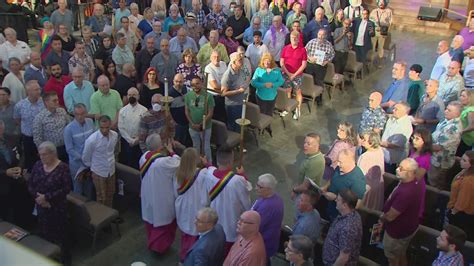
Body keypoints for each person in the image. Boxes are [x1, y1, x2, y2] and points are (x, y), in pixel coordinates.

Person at [203, 147, 251, 254]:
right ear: (231, 161)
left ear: (217, 159)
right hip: (231, 222)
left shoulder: (208, 174)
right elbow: (246, 201)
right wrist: (243, 174)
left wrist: (206, 163)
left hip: (215, 218)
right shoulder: (238, 181)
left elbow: (210, 168)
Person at [140, 133, 180, 254]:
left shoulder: (143, 157)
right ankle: (160, 247)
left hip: (148, 193)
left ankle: (153, 243)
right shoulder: (163, 162)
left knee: (151, 219)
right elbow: (178, 162)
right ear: (161, 146)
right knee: (163, 223)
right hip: (161, 197)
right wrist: (171, 151)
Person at [28, 141, 71, 252]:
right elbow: (30, 184)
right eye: (40, 154)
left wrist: (47, 197)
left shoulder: (63, 168)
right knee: (45, 234)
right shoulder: (38, 165)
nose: (41, 157)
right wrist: (39, 199)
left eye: (44, 154)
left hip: (57, 208)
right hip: (41, 207)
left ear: (53, 154)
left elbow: (66, 188)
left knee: (61, 236)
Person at [380, 158, 423, 266]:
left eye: (401, 168)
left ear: (410, 173)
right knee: (400, 253)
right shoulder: (412, 182)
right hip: (408, 228)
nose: (397, 169)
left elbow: (390, 216)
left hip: (397, 232)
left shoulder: (406, 192)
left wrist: (382, 218)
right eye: (399, 166)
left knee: (392, 258)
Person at [174, 148, 213, 261]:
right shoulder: (202, 174)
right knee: (195, 238)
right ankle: (189, 259)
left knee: (185, 235)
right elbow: (207, 195)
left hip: (183, 208)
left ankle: (183, 257)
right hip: (197, 208)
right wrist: (207, 164)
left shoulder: (177, 174)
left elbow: (175, 192)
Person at [82, 115, 118, 207]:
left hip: (111, 170)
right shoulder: (92, 140)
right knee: (101, 196)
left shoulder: (114, 135)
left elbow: (113, 150)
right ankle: (102, 217)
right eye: (102, 128)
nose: (105, 130)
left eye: (107, 127)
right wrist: (94, 167)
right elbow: (86, 158)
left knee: (111, 193)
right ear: (98, 126)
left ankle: (110, 215)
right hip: (98, 171)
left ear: (110, 125)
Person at [323, 149, 366, 221]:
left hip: (339, 215)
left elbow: (357, 205)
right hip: (329, 206)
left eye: (340, 162)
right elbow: (333, 179)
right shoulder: (340, 168)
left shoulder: (357, 180)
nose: (338, 164)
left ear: (350, 162)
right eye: (338, 161)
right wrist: (325, 187)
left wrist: (335, 198)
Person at [322, 189, 363, 265]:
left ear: (344, 205)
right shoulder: (353, 214)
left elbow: (344, 257)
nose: (336, 201)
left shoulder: (348, 228)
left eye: (338, 200)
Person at [428, 101, 462, 190]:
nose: (446, 111)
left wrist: (422, 147)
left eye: (449, 110)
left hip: (441, 162)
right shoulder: (445, 120)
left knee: (435, 184)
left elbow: (439, 147)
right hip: (434, 158)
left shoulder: (453, 128)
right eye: (446, 109)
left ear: (457, 113)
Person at [64, 103, 95, 198]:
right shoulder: (68, 129)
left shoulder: (90, 122)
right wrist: (82, 158)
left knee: (89, 186)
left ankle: (90, 209)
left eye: (82, 113)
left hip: (90, 163)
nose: (80, 116)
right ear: (74, 114)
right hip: (77, 164)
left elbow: (94, 139)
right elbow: (69, 149)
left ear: (86, 113)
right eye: (77, 114)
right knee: (78, 188)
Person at [251, 173, 284, 262]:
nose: (256, 188)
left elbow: (256, 226)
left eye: (259, 187)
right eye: (256, 184)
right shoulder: (273, 197)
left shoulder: (268, 207)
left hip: (264, 244)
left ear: (268, 189)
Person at [13, 80, 44, 171]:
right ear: (28, 91)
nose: (39, 91)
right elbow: (17, 119)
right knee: (30, 162)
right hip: (28, 138)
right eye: (35, 90)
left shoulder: (44, 103)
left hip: (42, 136)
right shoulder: (20, 105)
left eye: (39, 89)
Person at [33, 91, 70, 161]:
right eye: (54, 101)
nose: (57, 102)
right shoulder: (39, 118)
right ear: (46, 102)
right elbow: (37, 138)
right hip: (51, 151)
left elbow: (69, 126)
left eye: (57, 100)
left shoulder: (62, 111)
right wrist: (43, 152)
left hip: (65, 147)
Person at [185, 77, 214, 162]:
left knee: (206, 146)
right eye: (193, 85)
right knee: (196, 146)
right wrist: (192, 124)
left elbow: (210, 113)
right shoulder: (188, 95)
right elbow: (187, 111)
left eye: (197, 83)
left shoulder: (208, 96)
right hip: (192, 127)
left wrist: (202, 124)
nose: (195, 86)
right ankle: (197, 163)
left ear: (201, 83)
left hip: (206, 127)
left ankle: (209, 164)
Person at [447, 151, 474, 241]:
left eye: (464, 160)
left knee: (453, 237)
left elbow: (462, 202)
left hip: (460, 214)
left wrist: (453, 212)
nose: (461, 161)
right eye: (462, 158)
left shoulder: (469, 181)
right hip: (456, 207)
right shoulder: (465, 172)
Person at [0, 120, 24, 222]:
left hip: (16, 181)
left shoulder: (12, 138)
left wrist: (20, 166)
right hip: (2, 186)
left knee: (19, 209)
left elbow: (22, 154)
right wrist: (5, 172)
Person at [118, 88, 147, 169]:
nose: (131, 96)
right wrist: (130, 140)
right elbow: (121, 127)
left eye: (134, 95)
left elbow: (145, 127)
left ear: (138, 96)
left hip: (140, 142)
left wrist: (137, 139)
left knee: (139, 163)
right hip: (127, 142)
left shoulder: (144, 110)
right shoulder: (122, 111)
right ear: (127, 96)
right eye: (129, 95)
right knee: (128, 164)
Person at [281, 31, 307, 119]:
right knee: (288, 90)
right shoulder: (285, 48)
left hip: (297, 75)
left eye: (296, 38)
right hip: (286, 74)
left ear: (299, 39)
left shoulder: (303, 50)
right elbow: (282, 62)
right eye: (292, 38)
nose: (294, 39)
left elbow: (304, 65)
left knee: (298, 92)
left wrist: (294, 74)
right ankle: (288, 107)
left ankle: (298, 109)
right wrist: (289, 73)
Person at [380, 102, 413, 173]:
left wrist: (377, 143)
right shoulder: (393, 118)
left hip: (392, 159)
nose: (393, 111)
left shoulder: (405, 126)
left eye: (396, 109)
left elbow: (395, 145)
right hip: (383, 155)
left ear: (404, 112)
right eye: (393, 108)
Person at [305, 29, 335, 105]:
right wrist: (309, 58)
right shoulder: (312, 42)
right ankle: (308, 95)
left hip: (321, 66)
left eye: (322, 35)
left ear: (325, 36)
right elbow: (304, 51)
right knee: (309, 80)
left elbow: (332, 54)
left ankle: (319, 98)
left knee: (319, 81)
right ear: (317, 35)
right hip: (310, 65)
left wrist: (327, 61)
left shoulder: (328, 44)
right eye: (319, 34)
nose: (321, 37)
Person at [251, 52, 284, 119]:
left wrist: (273, 85)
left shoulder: (276, 70)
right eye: (265, 60)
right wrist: (263, 85)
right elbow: (253, 82)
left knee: (269, 112)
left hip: (272, 96)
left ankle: (268, 125)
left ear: (271, 62)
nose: (267, 62)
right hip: (261, 96)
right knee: (262, 112)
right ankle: (262, 126)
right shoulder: (258, 70)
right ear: (262, 61)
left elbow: (281, 81)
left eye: (268, 61)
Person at [409, 128, 432, 220]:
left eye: (417, 139)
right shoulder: (414, 151)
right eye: (413, 138)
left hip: (415, 184)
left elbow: (418, 176)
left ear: (425, 141)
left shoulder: (425, 157)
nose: (414, 141)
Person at [358, 131, 385, 211]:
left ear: (371, 143)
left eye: (365, 140)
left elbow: (359, 175)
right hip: (377, 185)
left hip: (366, 188)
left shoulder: (365, 156)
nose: (362, 141)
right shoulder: (380, 150)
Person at [221, 53, 247, 132]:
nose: (242, 62)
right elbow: (223, 93)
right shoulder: (227, 75)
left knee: (239, 124)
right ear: (234, 62)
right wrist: (238, 91)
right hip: (232, 105)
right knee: (232, 125)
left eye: (242, 60)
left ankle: (239, 140)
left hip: (240, 102)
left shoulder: (241, 70)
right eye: (240, 60)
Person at [169, 74, 190, 147]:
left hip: (187, 121)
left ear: (184, 81)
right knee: (178, 144)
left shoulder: (185, 89)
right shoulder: (170, 93)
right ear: (173, 81)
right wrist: (172, 121)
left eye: (180, 82)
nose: (178, 83)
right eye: (176, 81)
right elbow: (167, 110)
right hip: (177, 123)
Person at [370, 0, 393, 67]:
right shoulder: (374, 11)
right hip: (374, 31)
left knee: (381, 47)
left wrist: (387, 33)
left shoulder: (388, 11)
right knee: (372, 47)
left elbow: (391, 23)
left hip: (383, 32)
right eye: (380, 2)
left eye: (383, 2)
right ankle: (371, 61)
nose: (381, 4)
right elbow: (370, 21)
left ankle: (380, 62)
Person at [458, 89, 474, 155]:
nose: (460, 98)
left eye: (463, 96)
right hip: (462, 137)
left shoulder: (470, 111)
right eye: (460, 95)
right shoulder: (465, 108)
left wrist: (461, 131)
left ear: (470, 98)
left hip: (467, 139)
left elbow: (472, 126)